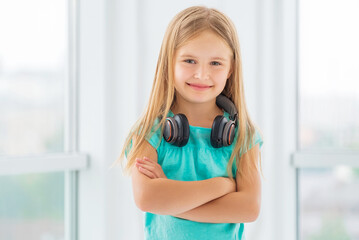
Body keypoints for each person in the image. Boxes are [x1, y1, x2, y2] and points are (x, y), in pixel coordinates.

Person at [116, 5, 264, 240]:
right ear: (169, 62)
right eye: (189, 61)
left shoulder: (242, 135)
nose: (202, 74)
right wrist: (222, 186)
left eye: (215, 63)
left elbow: (248, 208)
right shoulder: (149, 131)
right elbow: (147, 198)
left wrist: (171, 201)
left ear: (230, 68)